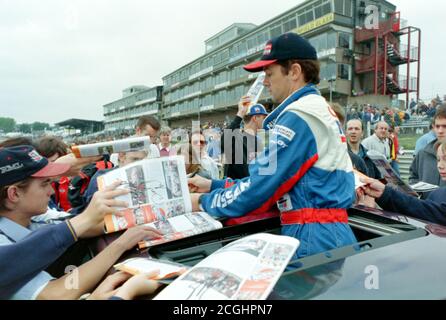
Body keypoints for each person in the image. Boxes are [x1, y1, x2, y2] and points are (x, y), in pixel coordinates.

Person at [189, 32, 356, 260]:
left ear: (295, 72)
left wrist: (202, 202)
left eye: (269, 74)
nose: (265, 82)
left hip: (313, 235)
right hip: (324, 232)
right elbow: (274, 181)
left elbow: (261, 186)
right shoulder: (315, 108)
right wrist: (212, 184)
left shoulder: (300, 115)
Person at [0, 145, 163, 299]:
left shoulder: (31, 218)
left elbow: (86, 227)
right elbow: (57, 294)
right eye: (45, 184)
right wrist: (119, 245)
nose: (51, 191)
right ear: (14, 194)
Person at [360, 141, 446, 226]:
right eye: (438, 159)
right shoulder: (436, 194)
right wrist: (384, 193)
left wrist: (386, 194)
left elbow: (430, 212)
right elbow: (423, 212)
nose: (440, 165)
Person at [221, 100, 268, 179]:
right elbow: (224, 141)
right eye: (264, 117)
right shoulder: (238, 139)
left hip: (252, 187)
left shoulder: (258, 142)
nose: (265, 120)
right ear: (255, 118)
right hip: (236, 187)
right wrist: (240, 114)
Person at [409, 107, 446, 195]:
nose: (440, 131)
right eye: (437, 126)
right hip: (426, 207)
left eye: (445, 126)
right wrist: (418, 193)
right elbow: (413, 176)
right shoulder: (423, 153)